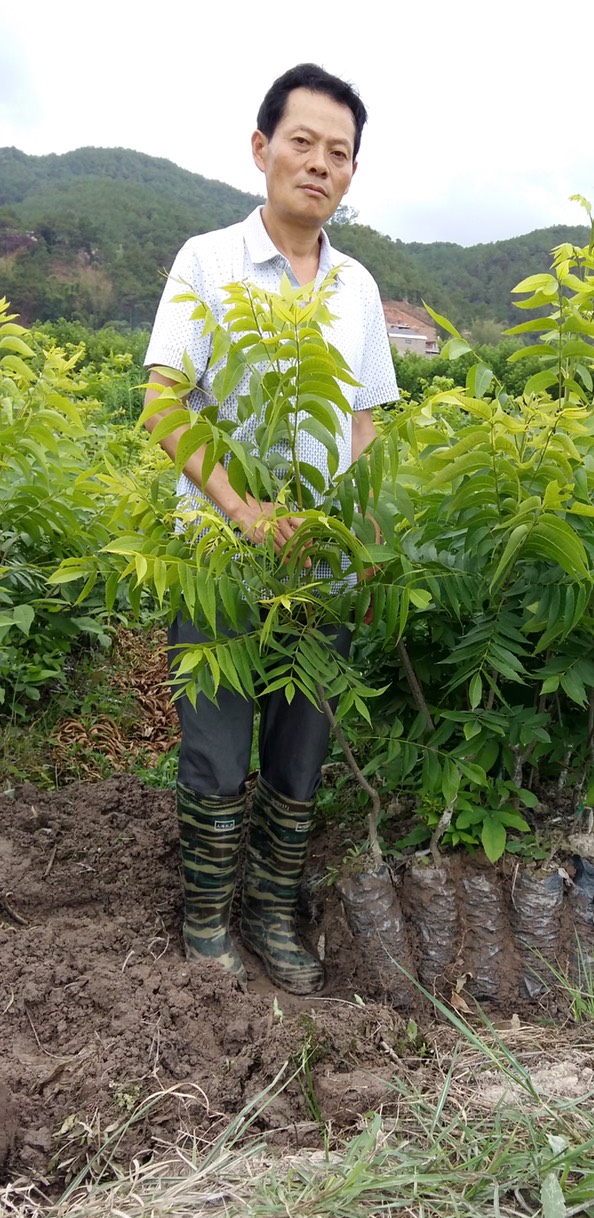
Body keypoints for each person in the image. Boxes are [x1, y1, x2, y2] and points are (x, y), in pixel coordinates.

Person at [143, 63, 398, 996]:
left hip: (322, 559)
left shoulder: (359, 288)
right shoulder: (206, 262)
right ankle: (206, 918)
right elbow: (164, 405)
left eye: (341, 153)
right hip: (220, 555)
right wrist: (248, 517)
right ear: (262, 148)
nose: (320, 164)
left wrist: (361, 538)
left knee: (302, 743)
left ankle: (270, 913)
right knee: (215, 739)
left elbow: (367, 422)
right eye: (304, 142)